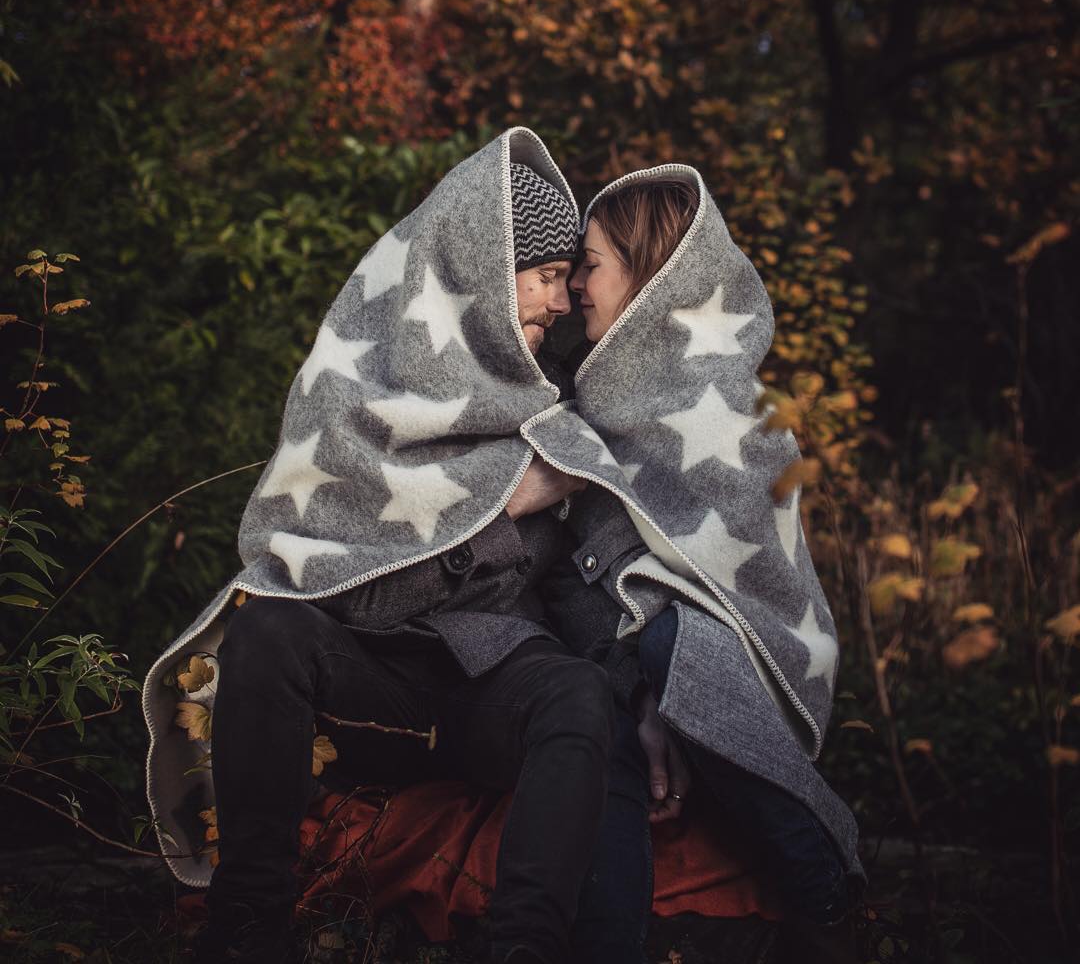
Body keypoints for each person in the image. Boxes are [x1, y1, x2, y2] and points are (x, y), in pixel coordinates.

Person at [142, 128, 627, 964]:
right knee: (269, 624)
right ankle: (247, 931)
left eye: (565, 280)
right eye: (546, 277)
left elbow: (591, 588)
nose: (560, 301)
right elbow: (348, 590)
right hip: (373, 684)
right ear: (479, 275)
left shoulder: (559, 411)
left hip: (495, 688)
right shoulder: (361, 398)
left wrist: (645, 701)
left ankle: (526, 949)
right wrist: (505, 508)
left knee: (580, 692)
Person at [532, 169, 866, 964]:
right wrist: (640, 694)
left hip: (751, 657)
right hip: (625, 666)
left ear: (647, 280)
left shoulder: (732, 409)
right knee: (601, 710)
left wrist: (663, 674)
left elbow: (744, 585)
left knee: (681, 648)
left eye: (592, 263)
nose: (575, 284)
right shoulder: (585, 409)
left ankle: (824, 887)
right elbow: (574, 580)